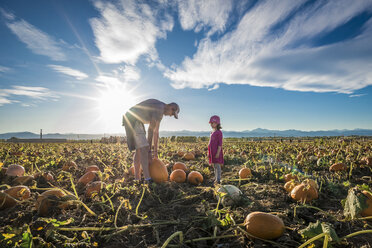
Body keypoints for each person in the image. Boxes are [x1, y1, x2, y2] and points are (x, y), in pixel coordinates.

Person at [122, 99, 180, 183]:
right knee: (144, 148)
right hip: (132, 119)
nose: (171, 116)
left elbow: (156, 132)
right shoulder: (159, 109)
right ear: (171, 107)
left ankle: (137, 178)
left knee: (139, 149)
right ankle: (147, 178)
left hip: (134, 119)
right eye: (172, 113)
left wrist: (155, 152)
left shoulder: (160, 109)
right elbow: (150, 130)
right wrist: (149, 151)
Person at [208, 115, 224, 184]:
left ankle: (218, 179)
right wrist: (209, 152)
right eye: (211, 123)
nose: (211, 124)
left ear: (217, 123)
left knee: (217, 165)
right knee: (214, 166)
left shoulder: (219, 132)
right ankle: (215, 178)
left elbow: (220, 144)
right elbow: (210, 142)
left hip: (217, 151)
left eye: (213, 123)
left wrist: (218, 153)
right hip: (212, 152)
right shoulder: (212, 132)